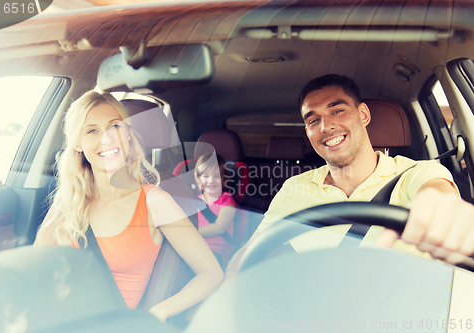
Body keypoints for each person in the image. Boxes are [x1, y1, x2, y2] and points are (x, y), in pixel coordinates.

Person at [226, 74, 474, 278]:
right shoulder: (294, 188)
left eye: (337, 111)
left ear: (363, 114)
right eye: (313, 120)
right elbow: (249, 255)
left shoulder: (417, 173)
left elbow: (438, 197)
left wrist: (446, 212)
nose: (325, 127)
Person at [33, 91, 223, 322]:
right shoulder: (68, 201)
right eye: (92, 130)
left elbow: (211, 273)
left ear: (129, 134)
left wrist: (159, 312)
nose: (108, 140)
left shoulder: (154, 201)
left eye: (115, 127)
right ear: (78, 144)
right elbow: (36, 264)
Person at [194, 153, 237, 266]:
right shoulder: (194, 201)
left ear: (224, 179)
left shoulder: (226, 200)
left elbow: (219, 228)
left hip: (215, 253)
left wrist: (192, 233)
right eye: (206, 176)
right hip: (193, 249)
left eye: (217, 176)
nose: (211, 180)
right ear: (197, 178)